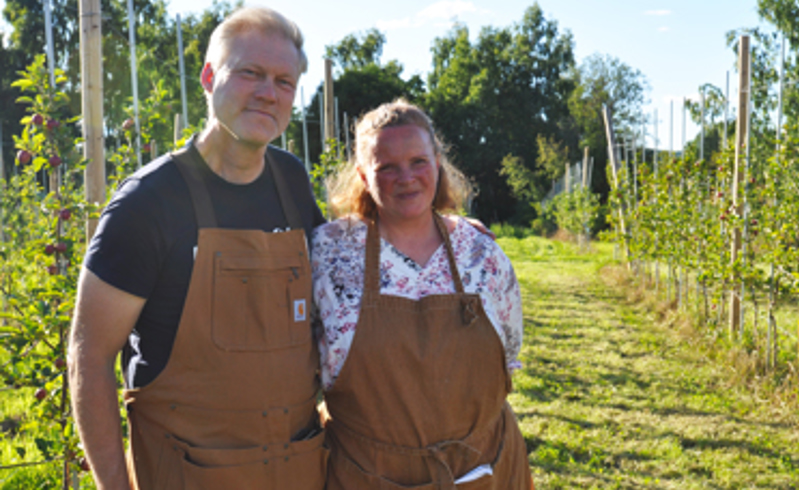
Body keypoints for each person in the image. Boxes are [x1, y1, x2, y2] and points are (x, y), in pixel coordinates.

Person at [68, 7, 328, 489]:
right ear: (209, 78)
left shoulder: (292, 181)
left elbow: (339, 284)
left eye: (284, 81)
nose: (268, 93)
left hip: (296, 471)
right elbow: (89, 356)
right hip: (187, 477)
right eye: (249, 73)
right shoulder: (147, 202)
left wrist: (446, 231)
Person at [312, 99, 533, 488]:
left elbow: (509, 354)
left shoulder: (479, 253)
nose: (406, 177)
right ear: (363, 175)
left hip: (482, 471)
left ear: (437, 163)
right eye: (387, 167)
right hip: (367, 475)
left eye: (418, 161)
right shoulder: (329, 252)